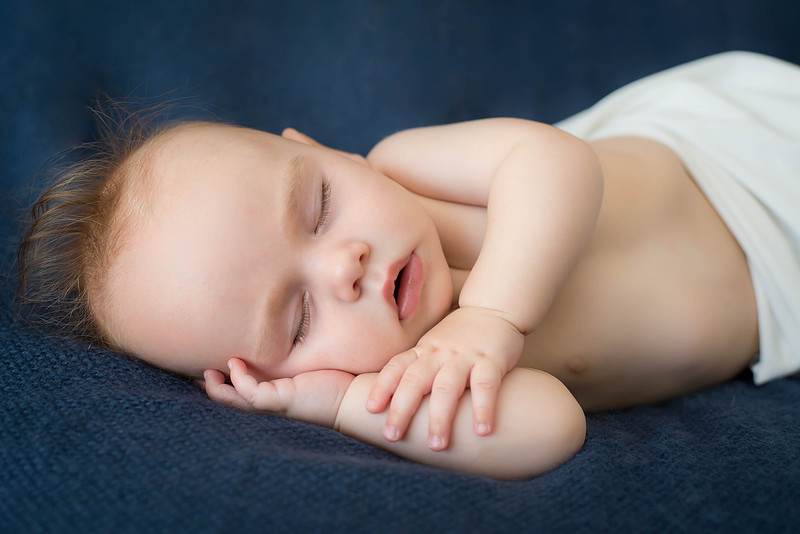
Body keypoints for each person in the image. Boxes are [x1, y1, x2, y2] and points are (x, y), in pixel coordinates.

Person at [16, 51, 800, 479]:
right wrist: (336, 409)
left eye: (319, 206)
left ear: (319, 150)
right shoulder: (411, 378)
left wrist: (492, 316)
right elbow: (549, 429)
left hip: (735, 150)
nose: (343, 269)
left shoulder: (409, 167)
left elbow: (557, 162)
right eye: (299, 320)